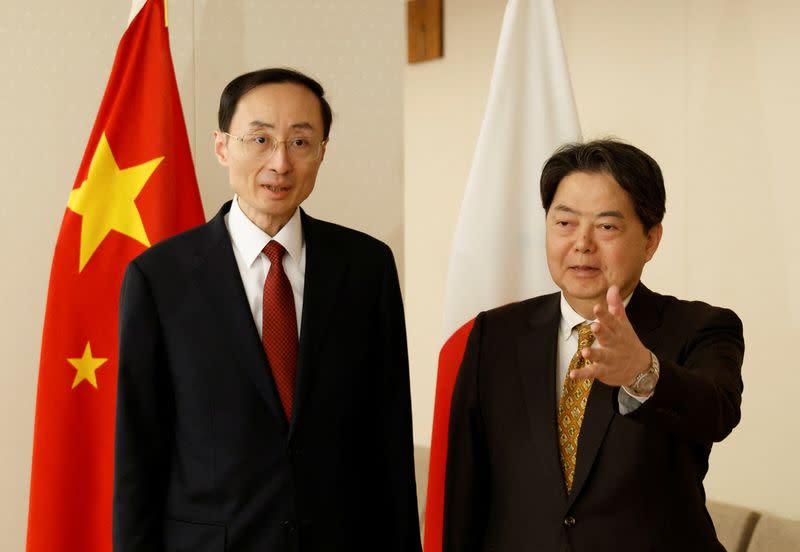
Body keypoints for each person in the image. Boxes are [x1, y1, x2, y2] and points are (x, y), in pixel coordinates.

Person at [113, 68, 421, 551]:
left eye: (301, 142)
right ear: (222, 147)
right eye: (259, 139)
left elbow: (388, 442)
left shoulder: (366, 267)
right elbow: (139, 454)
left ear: (322, 152)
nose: (280, 162)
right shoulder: (159, 278)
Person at [443, 139, 744, 551]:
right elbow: (466, 488)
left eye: (606, 226)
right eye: (564, 223)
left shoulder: (701, 328)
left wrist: (644, 373)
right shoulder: (494, 334)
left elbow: (717, 413)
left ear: (651, 239)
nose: (582, 243)